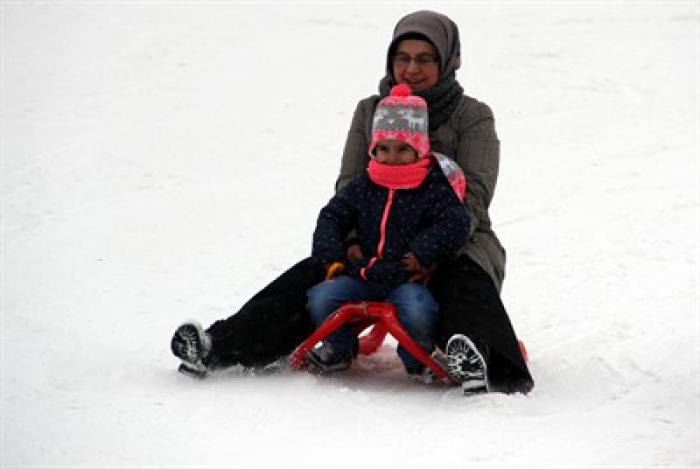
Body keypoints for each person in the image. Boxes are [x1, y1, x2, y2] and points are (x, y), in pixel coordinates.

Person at [170, 10, 534, 395]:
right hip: (372, 238)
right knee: (310, 276)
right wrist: (353, 244)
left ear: (447, 61)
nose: (412, 69)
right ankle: (220, 346)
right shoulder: (370, 110)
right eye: (403, 58)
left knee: (462, 283)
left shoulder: (471, 116)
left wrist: (428, 252)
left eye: (425, 59)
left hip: (454, 238)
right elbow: (349, 187)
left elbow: (474, 199)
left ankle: (488, 363)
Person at [305, 84, 470, 382]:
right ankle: (339, 348)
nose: (391, 158)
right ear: (374, 149)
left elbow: (457, 221)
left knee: (418, 310)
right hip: (363, 275)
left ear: (419, 148)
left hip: (404, 278)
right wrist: (334, 257)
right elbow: (332, 215)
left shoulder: (432, 187)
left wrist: (422, 252)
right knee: (321, 297)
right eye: (384, 149)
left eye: (402, 149)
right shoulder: (364, 184)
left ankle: (417, 355)